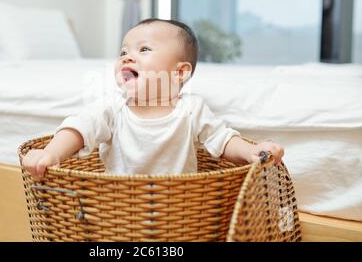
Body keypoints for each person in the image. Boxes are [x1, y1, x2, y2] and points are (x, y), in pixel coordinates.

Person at [23, 18, 284, 179]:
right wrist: (51, 154)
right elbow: (80, 128)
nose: (127, 57)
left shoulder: (191, 109)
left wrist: (251, 151)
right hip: (119, 206)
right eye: (123, 51)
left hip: (178, 207)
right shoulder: (114, 108)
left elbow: (223, 140)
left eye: (144, 49)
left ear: (180, 72)